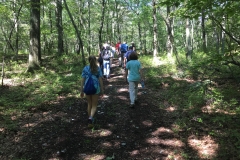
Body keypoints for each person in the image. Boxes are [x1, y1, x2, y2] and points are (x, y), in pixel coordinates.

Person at [80, 56, 104, 124]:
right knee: (94, 105)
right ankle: (91, 118)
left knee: (89, 104)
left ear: (88, 60)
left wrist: (81, 90)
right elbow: (100, 80)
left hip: (87, 87)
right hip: (95, 88)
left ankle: (90, 118)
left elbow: (82, 80)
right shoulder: (98, 68)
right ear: (95, 60)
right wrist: (102, 90)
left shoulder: (85, 68)